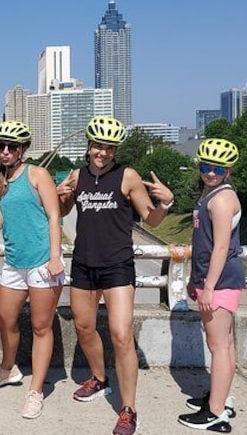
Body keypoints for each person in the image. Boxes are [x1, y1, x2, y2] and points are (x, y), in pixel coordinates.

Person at [57, 116, 175, 435]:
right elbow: (64, 210)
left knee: (121, 335)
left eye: (109, 148)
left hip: (117, 265)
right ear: (89, 145)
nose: (103, 152)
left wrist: (167, 202)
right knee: (83, 326)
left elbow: (151, 219)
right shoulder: (77, 175)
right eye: (98, 145)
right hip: (83, 262)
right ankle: (99, 379)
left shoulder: (127, 176)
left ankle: (128, 409)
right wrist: (60, 194)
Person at [0, 121, 64, 419]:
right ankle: (8, 369)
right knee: (5, 318)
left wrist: (56, 256)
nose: (5, 152)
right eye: (1, 146)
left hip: (43, 262)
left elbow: (54, 214)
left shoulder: (37, 174)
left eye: (12, 147)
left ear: (23, 150)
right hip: (14, 262)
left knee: (40, 327)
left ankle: (36, 391)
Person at [178, 139, 244, 432]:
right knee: (224, 344)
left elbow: (220, 248)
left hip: (219, 280)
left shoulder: (220, 199)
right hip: (216, 278)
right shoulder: (212, 193)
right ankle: (220, 398)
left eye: (218, 168)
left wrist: (207, 287)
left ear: (228, 170)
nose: (210, 173)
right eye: (206, 167)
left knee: (218, 346)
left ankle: (215, 412)